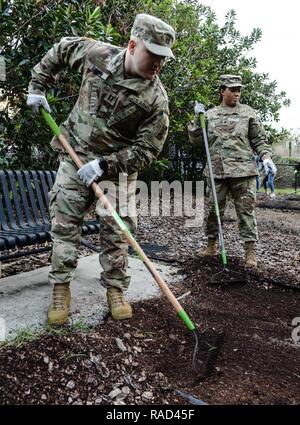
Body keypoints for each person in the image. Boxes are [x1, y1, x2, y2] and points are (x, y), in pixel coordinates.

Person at [27, 14, 175, 325]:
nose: (159, 64)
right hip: (75, 154)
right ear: (133, 45)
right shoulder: (97, 54)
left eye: (164, 58)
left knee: (117, 232)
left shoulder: (156, 100)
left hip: (117, 170)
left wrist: (105, 164)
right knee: (65, 224)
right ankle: (60, 288)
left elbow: (147, 150)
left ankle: (116, 290)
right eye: (154, 55)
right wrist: (38, 85)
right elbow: (61, 49)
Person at [188, 75, 276, 267]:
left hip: (243, 173)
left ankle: (250, 253)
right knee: (213, 210)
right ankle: (211, 245)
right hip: (216, 172)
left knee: (246, 213)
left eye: (239, 89)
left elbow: (259, 140)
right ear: (222, 91)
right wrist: (197, 118)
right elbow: (195, 141)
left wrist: (266, 158)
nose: (237, 93)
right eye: (232, 89)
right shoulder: (209, 115)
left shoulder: (248, 113)